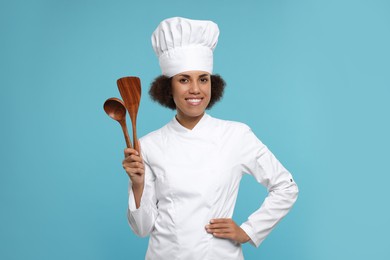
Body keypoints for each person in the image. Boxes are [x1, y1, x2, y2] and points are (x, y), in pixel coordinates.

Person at [122, 17, 298, 260]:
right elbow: (142, 229)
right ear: (168, 88)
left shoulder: (236, 135)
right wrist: (138, 185)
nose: (196, 89)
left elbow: (286, 187)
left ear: (212, 84)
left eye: (203, 79)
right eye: (184, 79)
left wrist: (249, 230)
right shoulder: (149, 145)